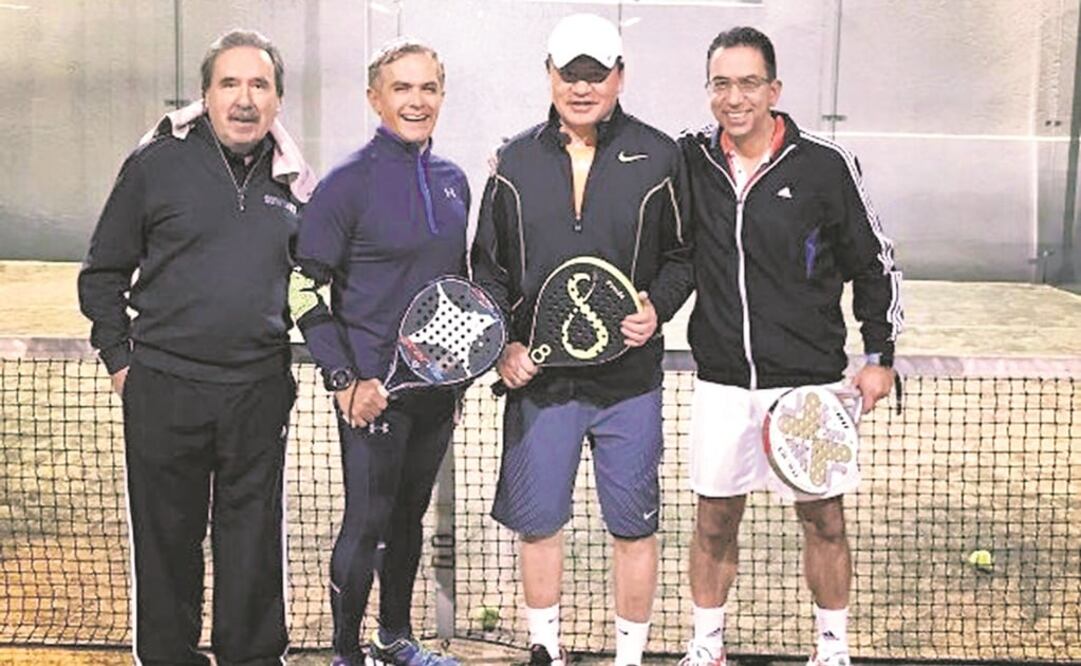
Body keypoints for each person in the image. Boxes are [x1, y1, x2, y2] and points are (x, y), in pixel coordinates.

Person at [78, 29, 308, 666]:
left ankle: (252, 657)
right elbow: (101, 276)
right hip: (164, 390)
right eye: (229, 84)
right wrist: (123, 364)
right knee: (167, 540)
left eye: (258, 85)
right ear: (205, 97)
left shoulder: (293, 183)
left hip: (258, 393)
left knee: (252, 541)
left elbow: (312, 285)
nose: (243, 99)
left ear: (277, 100)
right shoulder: (155, 166)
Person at [676, 26, 904, 666]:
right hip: (723, 381)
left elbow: (875, 264)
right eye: (722, 84)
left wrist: (879, 355)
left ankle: (832, 652)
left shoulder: (825, 166)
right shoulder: (691, 159)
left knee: (824, 521)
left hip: (809, 383)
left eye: (749, 83)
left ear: (774, 90)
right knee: (714, 523)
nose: (735, 98)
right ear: (709, 90)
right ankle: (706, 648)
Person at [470, 13, 694, 666]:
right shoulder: (512, 162)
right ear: (548, 76)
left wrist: (657, 306)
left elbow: (682, 255)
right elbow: (488, 268)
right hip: (541, 386)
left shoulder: (658, 156)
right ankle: (545, 651)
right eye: (570, 74)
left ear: (619, 78)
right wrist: (504, 347)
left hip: (629, 384)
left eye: (596, 74)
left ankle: (629, 658)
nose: (582, 86)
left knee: (634, 526)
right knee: (538, 525)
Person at [288, 37, 468, 666]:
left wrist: (458, 380)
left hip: (435, 395)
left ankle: (394, 640)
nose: (416, 101)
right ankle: (345, 654)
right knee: (366, 523)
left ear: (441, 96)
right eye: (402, 88)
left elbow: (457, 290)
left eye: (428, 88)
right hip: (372, 395)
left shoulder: (454, 183)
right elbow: (303, 289)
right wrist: (345, 380)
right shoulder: (346, 184)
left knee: (409, 520)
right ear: (375, 98)